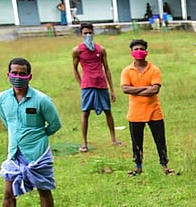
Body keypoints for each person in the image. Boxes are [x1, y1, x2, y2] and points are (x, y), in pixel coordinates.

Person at [0, 58, 61, 207]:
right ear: (8, 74)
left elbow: (54, 124)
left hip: (38, 153)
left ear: (29, 76)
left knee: (44, 190)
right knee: (8, 192)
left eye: (22, 74)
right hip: (14, 153)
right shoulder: (3, 98)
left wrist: (38, 136)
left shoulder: (41, 100)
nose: (18, 77)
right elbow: (8, 122)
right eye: (14, 73)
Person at [120, 39, 174, 176]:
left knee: (160, 140)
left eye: (141, 49)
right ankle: (138, 167)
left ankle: (165, 166)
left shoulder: (154, 70)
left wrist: (136, 89)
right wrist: (146, 88)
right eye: (135, 49)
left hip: (154, 112)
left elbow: (155, 90)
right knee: (136, 142)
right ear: (131, 52)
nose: (138, 51)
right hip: (135, 113)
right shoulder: (127, 71)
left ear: (146, 52)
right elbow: (125, 89)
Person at [73, 23, 123, 152]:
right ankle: (84, 142)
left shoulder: (101, 50)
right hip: (87, 86)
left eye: (90, 32)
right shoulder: (77, 50)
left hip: (101, 84)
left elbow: (107, 69)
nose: (88, 35)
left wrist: (112, 89)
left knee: (108, 111)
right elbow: (75, 69)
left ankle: (113, 139)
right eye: (85, 33)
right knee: (85, 113)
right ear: (81, 34)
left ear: (93, 33)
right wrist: (81, 84)